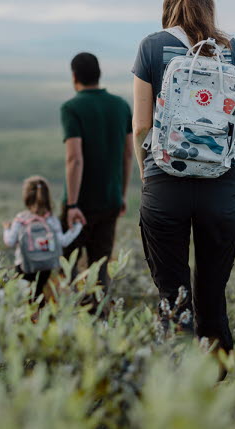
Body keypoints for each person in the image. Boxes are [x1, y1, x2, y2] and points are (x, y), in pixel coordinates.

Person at [131, 0, 235, 354]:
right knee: (212, 295)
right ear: (209, 2)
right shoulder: (234, 50)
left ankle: (177, 381)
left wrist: (148, 172)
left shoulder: (151, 47)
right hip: (219, 189)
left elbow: (139, 127)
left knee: (173, 295)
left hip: (165, 185)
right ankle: (218, 382)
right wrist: (226, 163)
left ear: (168, 2)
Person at [60, 52, 133, 292]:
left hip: (79, 204)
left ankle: (69, 321)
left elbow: (74, 158)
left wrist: (72, 205)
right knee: (100, 271)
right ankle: (100, 321)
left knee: (67, 269)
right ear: (98, 74)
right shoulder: (121, 106)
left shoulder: (72, 107)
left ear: (74, 76)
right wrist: (121, 195)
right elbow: (128, 155)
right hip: (110, 200)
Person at [3, 176, 82, 301]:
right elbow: (63, 241)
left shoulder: (21, 218)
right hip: (46, 266)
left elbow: (9, 241)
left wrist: (7, 229)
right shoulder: (51, 220)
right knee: (38, 294)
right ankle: (38, 316)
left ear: (26, 197)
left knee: (22, 297)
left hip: (24, 265)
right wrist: (77, 226)